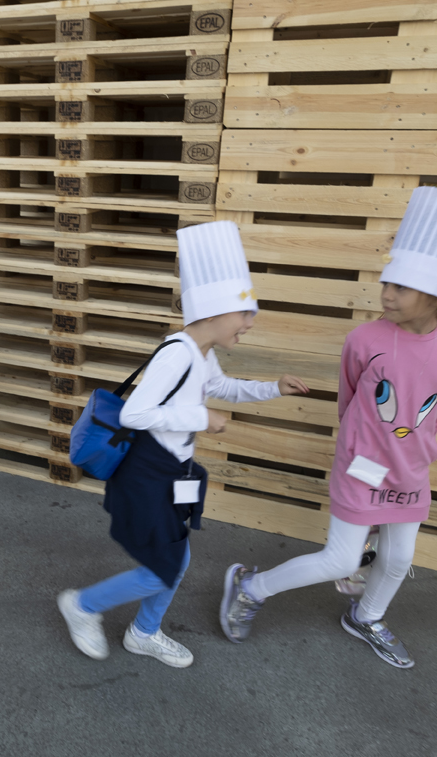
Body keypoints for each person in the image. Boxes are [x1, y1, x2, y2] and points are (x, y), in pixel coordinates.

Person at [219, 177, 437, 669]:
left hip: (413, 468)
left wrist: (415, 443)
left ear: (436, 295)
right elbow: (349, 395)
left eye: (400, 287)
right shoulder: (365, 338)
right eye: (387, 282)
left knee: (399, 558)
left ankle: (366, 616)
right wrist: (365, 445)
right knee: (341, 559)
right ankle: (250, 586)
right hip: (361, 463)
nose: (386, 294)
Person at [57, 220, 310, 668]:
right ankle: (82, 606)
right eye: (245, 313)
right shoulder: (178, 352)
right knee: (163, 568)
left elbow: (227, 389)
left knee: (177, 558)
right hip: (147, 476)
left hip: (173, 473)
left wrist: (275, 387)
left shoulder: (203, 354)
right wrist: (200, 417)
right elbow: (135, 414)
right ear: (213, 310)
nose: (249, 324)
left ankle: (144, 632)